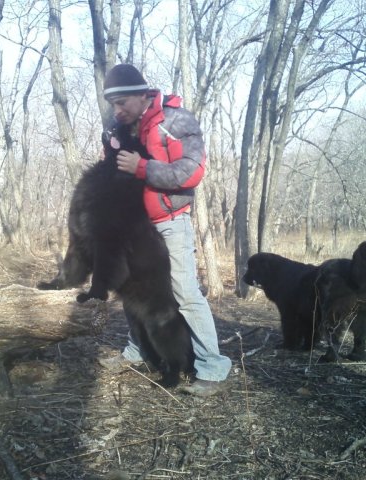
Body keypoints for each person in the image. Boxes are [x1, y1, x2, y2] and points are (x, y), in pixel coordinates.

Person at [97, 64, 231, 397]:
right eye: (113, 105)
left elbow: (192, 172)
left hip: (171, 223)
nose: (118, 110)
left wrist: (142, 168)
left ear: (143, 94)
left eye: (123, 102)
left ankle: (212, 368)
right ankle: (138, 351)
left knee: (184, 292)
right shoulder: (119, 128)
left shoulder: (177, 120)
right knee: (133, 293)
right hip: (135, 228)